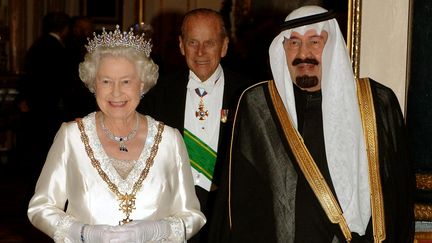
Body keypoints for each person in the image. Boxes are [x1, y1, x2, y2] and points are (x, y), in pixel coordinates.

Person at [210, 5, 415, 243]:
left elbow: (399, 195)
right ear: (282, 48)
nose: (303, 53)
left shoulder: (376, 102)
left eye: (315, 42)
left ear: (332, 46)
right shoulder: (260, 106)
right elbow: (242, 205)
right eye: (294, 43)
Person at [27, 25, 205, 242]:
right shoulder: (71, 137)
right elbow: (40, 208)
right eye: (106, 81)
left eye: (126, 81)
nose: (116, 92)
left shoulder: (170, 140)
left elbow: (193, 216)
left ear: (142, 84)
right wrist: (83, 233)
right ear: (93, 84)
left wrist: (157, 230)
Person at [141, 8, 250, 243]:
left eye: (209, 43)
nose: (200, 52)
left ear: (224, 46)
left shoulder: (248, 94)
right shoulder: (157, 95)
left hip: (228, 212)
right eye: (193, 42)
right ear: (181, 46)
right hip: (173, 213)